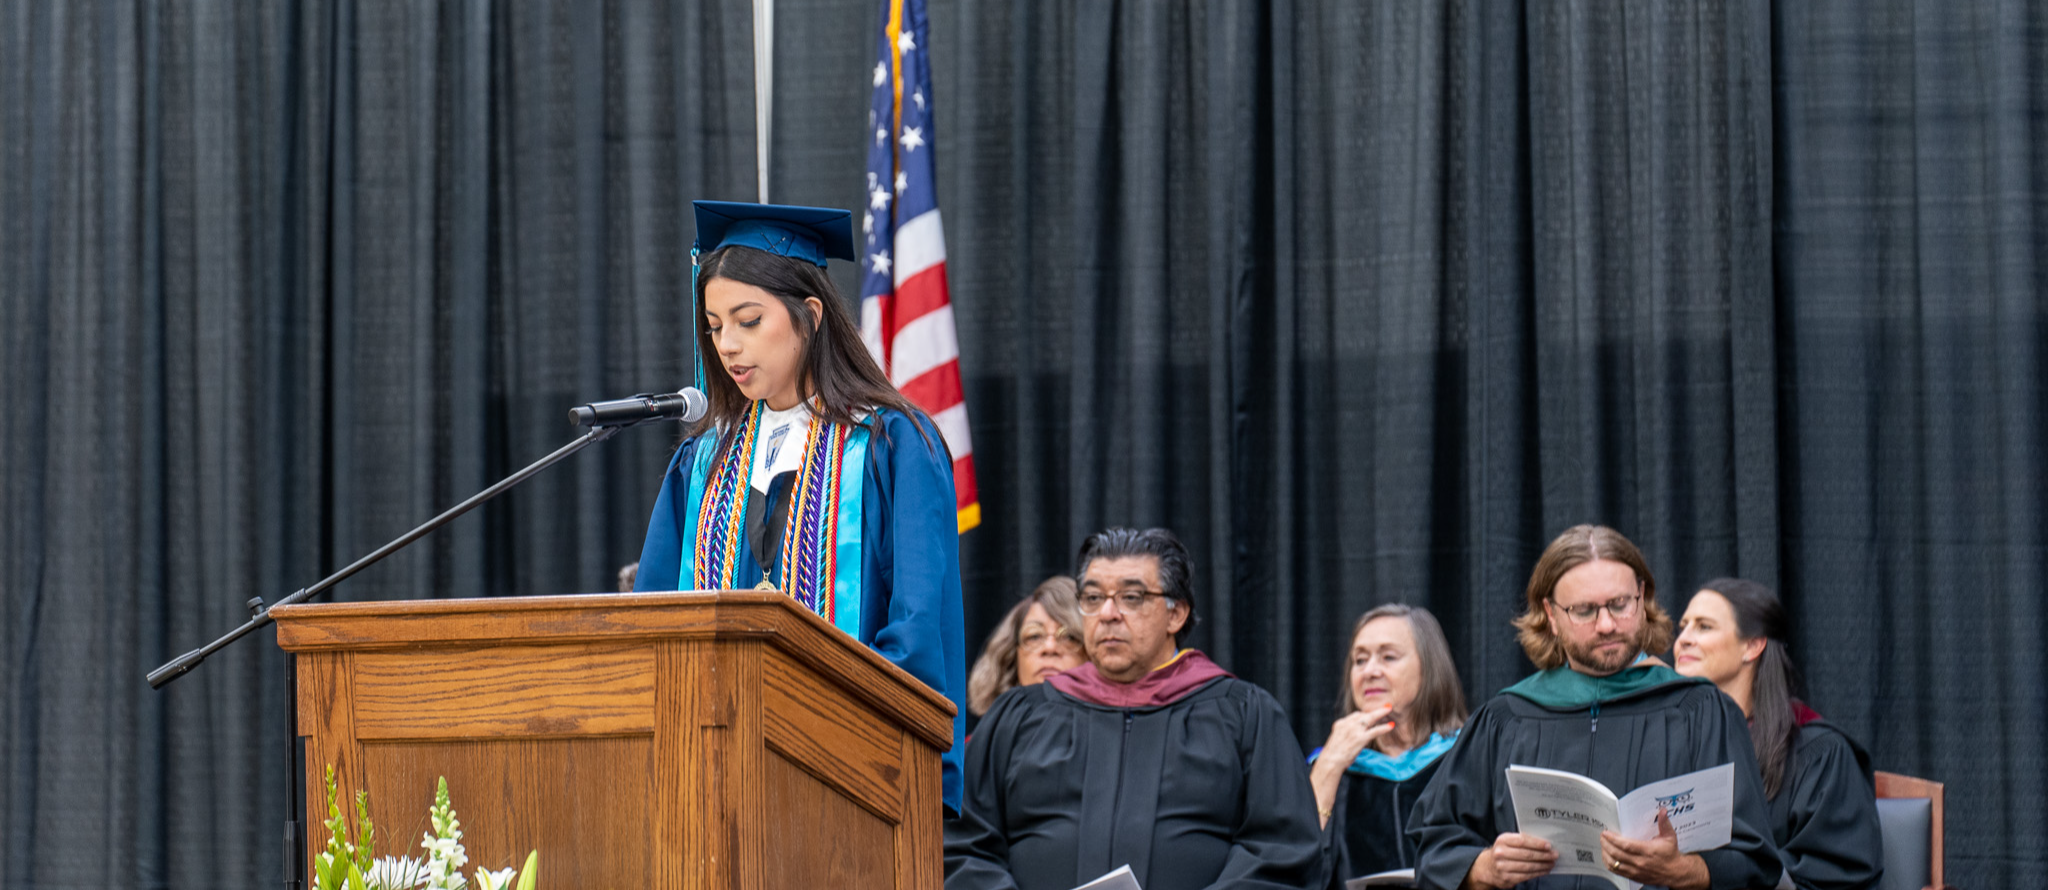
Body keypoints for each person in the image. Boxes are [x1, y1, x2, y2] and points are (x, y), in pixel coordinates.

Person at [633, 201, 969, 812]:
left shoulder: (892, 447)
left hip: (851, 778)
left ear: (810, 315)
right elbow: (654, 621)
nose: (728, 345)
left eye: (749, 320)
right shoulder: (703, 461)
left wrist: (826, 734)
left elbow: (917, 629)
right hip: (710, 777)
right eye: (714, 325)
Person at [945, 527, 1324, 890]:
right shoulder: (1020, 717)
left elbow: (1281, 852)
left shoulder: (1243, 716)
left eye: (1131, 597)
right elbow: (961, 846)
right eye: (1093, 598)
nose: (1108, 613)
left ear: (1176, 614)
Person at [1409, 524, 1782, 890]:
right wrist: (1483, 868)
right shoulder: (1505, 719)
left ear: (1642, 597)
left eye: (1620, 604)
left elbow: (1755, 861)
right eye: (1585, 610)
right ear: (1551, 615)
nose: (1607, 625)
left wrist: (1685, 871)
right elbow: (1435, 846)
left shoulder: (1699, 711)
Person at [1674, 579, 1884, 890]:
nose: (1683, 640)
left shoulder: (1819, 755)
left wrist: (1718, 872)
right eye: (1683, 627)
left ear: (1752, 646)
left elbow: (1837, 873)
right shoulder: (1678, 743)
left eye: (1704, 627)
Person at [1310, 604, 1468, 886]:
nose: (1369, 671)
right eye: (1359, 660)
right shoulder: (1330, 767)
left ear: (1429, 668)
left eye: (1388, 657)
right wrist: (1329, 767)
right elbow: (1296, 868)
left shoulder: (1466, 757)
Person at [966, 576, 1088, 718]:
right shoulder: (984, 740)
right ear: (1011, 659)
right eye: (1034, 636)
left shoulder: (1116, 737)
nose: (1050, 647)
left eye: (1069, 637)